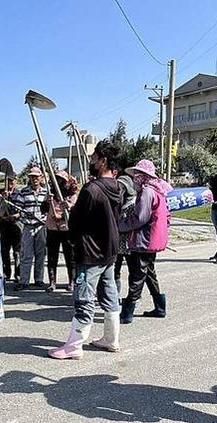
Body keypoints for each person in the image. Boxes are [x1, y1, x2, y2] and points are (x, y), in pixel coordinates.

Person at [48, 140, 122, 360]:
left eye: (94, 157)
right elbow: (97, 215)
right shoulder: (116, 186)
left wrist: (68, 223)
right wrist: (73, 208)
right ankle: (111, 338)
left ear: (103, 161)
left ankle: (74, 345)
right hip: (109, 250)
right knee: (109, 294)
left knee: (84, 297)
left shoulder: (92, 188)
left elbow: (78, 223)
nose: (91, 160)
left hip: (91, 252)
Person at [118, 159, 171, 325]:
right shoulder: (158, 190)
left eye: (137, 174)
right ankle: (159, 307)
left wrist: (121, 226)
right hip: (153, 239)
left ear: (144, 176)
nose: (135, 178)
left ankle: (127, 312)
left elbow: (140, 218)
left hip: (144, 240)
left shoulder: (147, 192)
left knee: (137, 276)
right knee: (148, 273)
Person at [12, 167, 49, 290]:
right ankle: (24, 281)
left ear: (41, 177)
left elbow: (50, 209)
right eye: (32, 177)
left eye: (36, 177)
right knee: (26, 255)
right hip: (28, 226)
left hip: (41, 226)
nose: (34, 179)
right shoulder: (23, 192)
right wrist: (21, 213)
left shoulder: (46, 192)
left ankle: (39, 279)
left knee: (40, 255)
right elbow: (17, 209)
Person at [43, 170, 78, 292]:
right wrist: (47, 202)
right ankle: (52, 282)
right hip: (52, 229)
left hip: (66, 229)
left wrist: (62, 217)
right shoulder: (50, 194)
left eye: (60, 179)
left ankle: (72, 281)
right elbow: (43, 209)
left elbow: (75, 212)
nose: (57, 182)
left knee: (70, 257)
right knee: (52, 257)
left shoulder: (72, 195)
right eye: (55, 179)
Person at [113, 170, 137, 298]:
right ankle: (114, 296)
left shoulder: (133, 204)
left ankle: (132, 297)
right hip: (116, 242)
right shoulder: (117, 204)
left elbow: (134, 223)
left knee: (133, 270)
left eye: (122, 188)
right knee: (114, 270)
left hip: (130, 243)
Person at [0, 176, 22, 283]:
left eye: (11, 181)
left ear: (15, 182)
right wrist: (3, 199)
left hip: (16, 224)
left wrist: (15, 215)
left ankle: (18, 274)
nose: (9, 183)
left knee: (17, 252)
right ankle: (6, 273)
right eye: (7, 181)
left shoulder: (19, 193)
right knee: (4, 251)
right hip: (4, 225)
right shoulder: (0, 193)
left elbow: (22, 209)